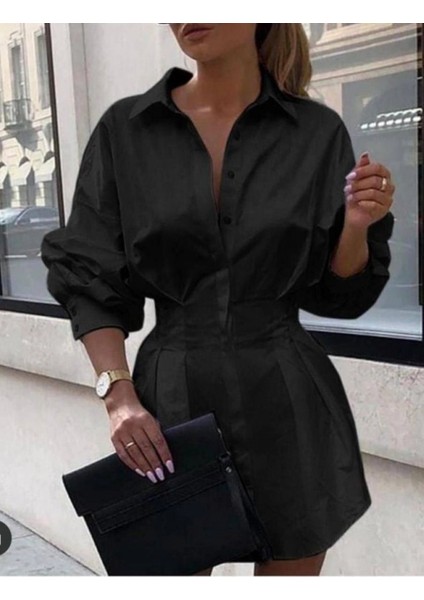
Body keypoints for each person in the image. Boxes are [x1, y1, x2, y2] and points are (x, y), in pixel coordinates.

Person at [40, 24, 395, 576]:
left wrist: (356, 225)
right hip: (169, 399)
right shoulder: (126, 131)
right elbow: (89, 270)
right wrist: (118, 396)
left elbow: (339, 295)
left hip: (287, 399)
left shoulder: (315, 132)